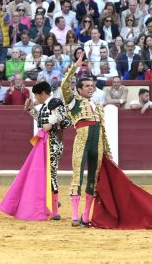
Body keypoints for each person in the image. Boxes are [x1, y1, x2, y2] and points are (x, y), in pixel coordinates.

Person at [0, 80, 72, 221]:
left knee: (51, 175)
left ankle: (55, 211)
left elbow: (67, 121)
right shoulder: (45, 105)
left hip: (54, 143)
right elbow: (41, 121)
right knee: (44, 176)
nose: (35, 98)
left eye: (36, 96)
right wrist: (31, 109)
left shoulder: (56, 103)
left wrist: (51, 125)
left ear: (42, 94)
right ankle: (50, 204)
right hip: (44, 142)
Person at [59, 54, 113, 227]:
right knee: (77, 178)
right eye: (87, 86)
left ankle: (85, 216)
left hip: (97, 144)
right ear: (79, 90)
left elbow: (103, 129)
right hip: (81, 142)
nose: (91, 88)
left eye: (92, 86)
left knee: (93, 179)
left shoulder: (97, 106)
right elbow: (64, 85)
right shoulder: (74, 103)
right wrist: (74, 67)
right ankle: (74, 216)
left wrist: (107, 149)